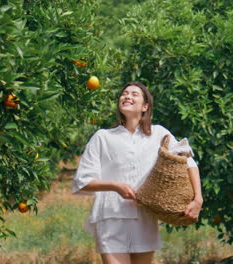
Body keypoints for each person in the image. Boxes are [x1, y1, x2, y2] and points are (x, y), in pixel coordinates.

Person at [72, 82, 203, 264]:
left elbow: (188, 162)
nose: (127, 96)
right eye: (124, 93)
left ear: (145, 106)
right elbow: (82, 180)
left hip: (145, 218)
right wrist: (115, 186)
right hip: (111, 216)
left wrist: (198, 199)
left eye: (134, 94)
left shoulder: (159, 134)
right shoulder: (103, 137)